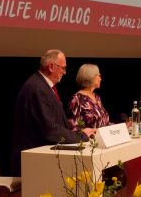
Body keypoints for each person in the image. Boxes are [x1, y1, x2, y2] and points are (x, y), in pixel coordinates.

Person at [10, 49, 96, 177]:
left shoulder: (43, 86)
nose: (65, 72)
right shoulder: (38, 88)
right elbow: (50, 130)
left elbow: (56, 123)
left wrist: (78, 133)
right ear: (51, 66)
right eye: (63, 68)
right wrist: (81, 136)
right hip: (33, 162)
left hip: (39, 159)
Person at [68, 64, 110, 130]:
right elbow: (73, 127)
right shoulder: (77, 99)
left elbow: (104, 123)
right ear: (91, 76)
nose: (100, 79)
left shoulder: (97, 97)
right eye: (99, 75)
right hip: (88, 137)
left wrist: (122, 126)